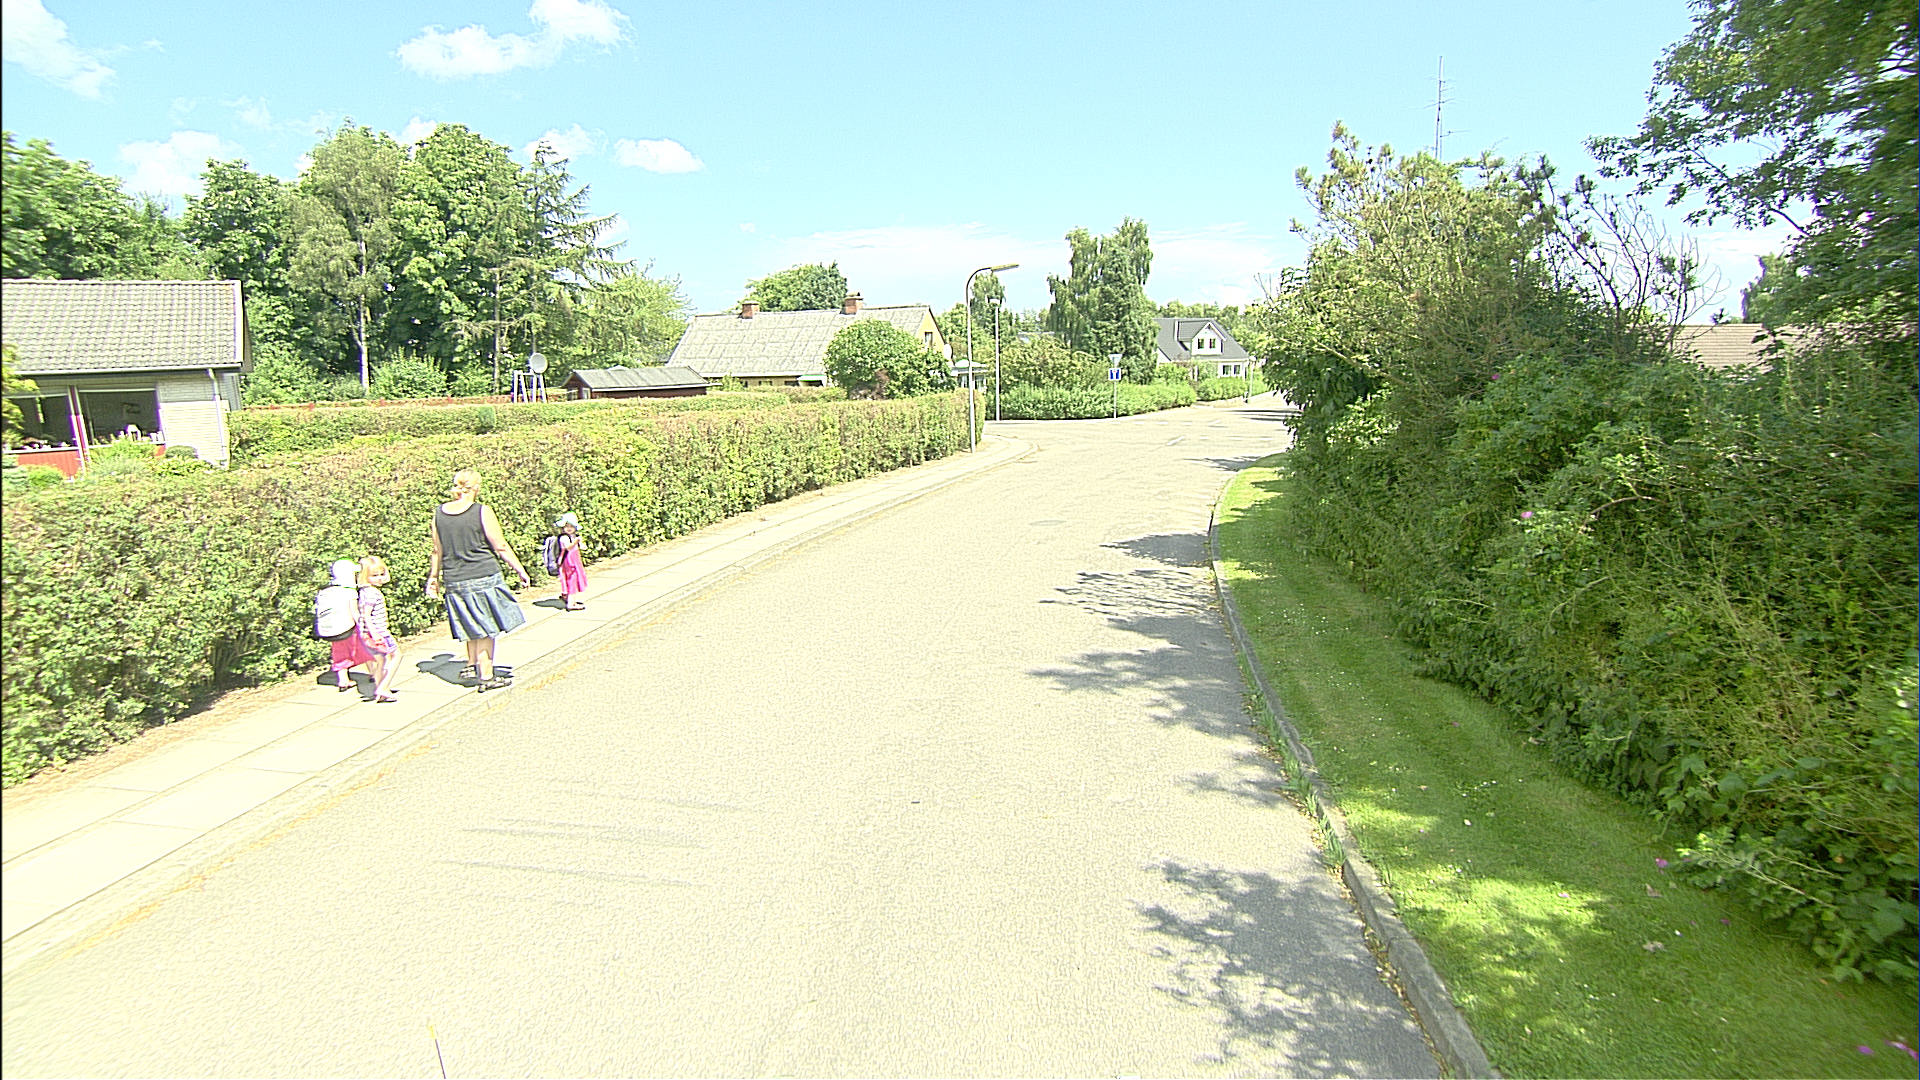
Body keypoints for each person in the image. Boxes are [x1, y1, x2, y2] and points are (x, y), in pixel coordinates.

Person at [426, 468, 529, 692]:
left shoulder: (439, 514)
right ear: (476, 488)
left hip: (454, 579)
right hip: (483, 575)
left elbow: (436, 550)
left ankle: (471, 666)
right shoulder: (482, 511)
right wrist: (520, 569)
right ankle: (487, 676)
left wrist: (433, 577)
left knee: (469, 624)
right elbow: (500, 546)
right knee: (486, 628)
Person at [323, 559, 373, 692]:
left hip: (335, 629)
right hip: (351, 627)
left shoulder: (329, 590)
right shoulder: (349, 591)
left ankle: (343, 680)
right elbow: (354, 612)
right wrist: (363, 626)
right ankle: (373, 673)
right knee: (365, 648)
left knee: (339, 652)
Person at [357, 554, 402, 703]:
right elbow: (367, 615)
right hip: (379, 632)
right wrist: (375, 633)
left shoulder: (365, 591)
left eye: (381, 574)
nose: (379, 578)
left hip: (369, 633)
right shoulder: (372, 593)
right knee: (396, 656)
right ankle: (383, 686)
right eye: (374, 575)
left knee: (381, 661)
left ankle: (381, 688)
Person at [553, 511, 588, 611]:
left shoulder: (573, 536)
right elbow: (568, 547)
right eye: (566, 526)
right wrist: (576, 542)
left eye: (571, 526)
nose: (569, 528)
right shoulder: (564, 537)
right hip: (568, 562)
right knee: (572, 580)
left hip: (574, 560)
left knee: (573, 579)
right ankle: (571, 603)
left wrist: (581, 543)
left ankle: (567, 596)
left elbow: (582, 547)